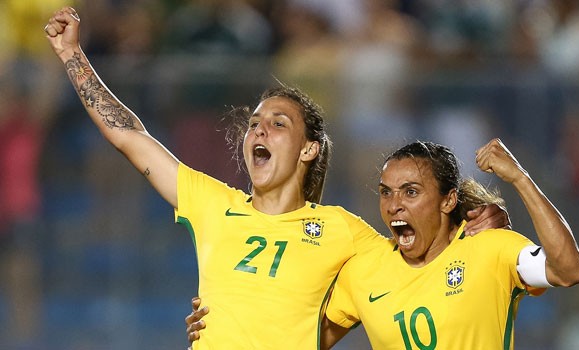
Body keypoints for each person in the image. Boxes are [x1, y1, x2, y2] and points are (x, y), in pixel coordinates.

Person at [44, 7, 509, 349]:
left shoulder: (342, 231)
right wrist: (73, 56)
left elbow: (417, 255)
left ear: (308, 149)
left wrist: (474, 219)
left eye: (277, 123)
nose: (258, 130)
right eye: (254, 124)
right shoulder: (212, 203)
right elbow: (131, 137)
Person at [187, 139, 579, 350]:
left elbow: (569, 270)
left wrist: (520, 180)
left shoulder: (490, 248)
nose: (394, 205)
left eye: (411, 192)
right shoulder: (365, 271)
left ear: (448, 200)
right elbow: (298, 340)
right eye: (386, 192)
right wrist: (219, 328)